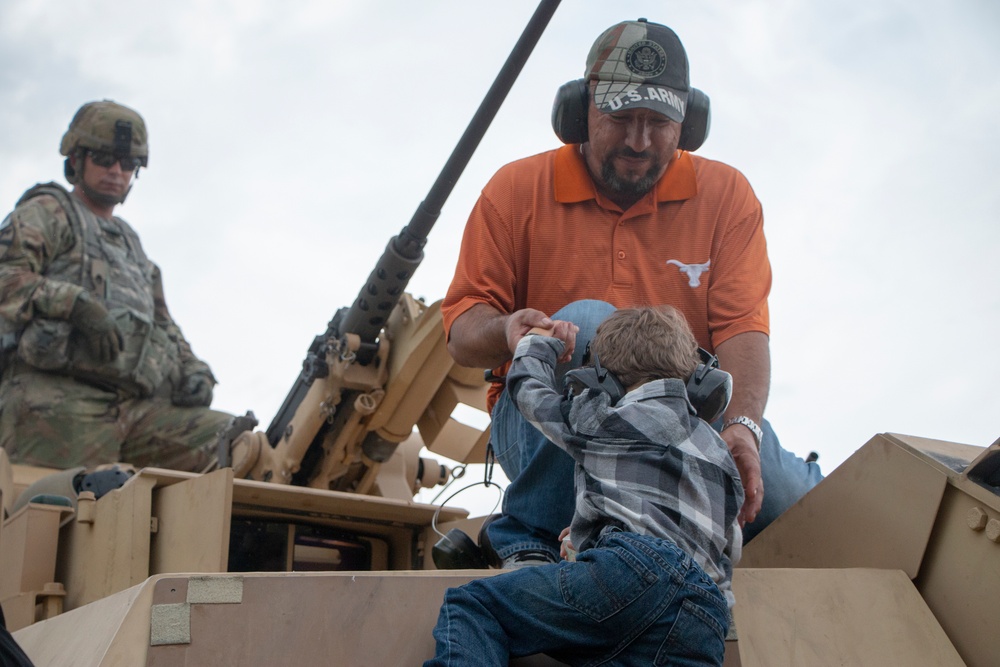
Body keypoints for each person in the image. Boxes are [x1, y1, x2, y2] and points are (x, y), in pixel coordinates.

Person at [441, 18, 823, 564]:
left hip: (681, 418)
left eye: (658, 122)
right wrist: (505, 329)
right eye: (621, 118)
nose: (639, 141)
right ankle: (530, 534)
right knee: (593, 322)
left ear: (688, 124)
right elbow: (461, 329)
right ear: (581, 111)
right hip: (545, 421)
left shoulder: (727, 197)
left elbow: (743, 329)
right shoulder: (514, 191)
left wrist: (741, 428)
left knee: (806, 504)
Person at [425, 306, 742, 666]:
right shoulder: (720, 454)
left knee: (473, 605)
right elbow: (728, 547)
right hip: (705, 613)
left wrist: (538, 346)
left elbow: (530, 394)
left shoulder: (602, 416)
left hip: (629, 572)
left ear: (603, 383)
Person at [0, 100, 232, 471]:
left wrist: (195, 371)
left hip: (135, 410)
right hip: (57, 404)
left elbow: (163, 327)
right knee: (57, 516)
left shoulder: (132, 247)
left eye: (129, 164)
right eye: (105, 158)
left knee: (235, 446)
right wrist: (75, 304)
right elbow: (5, 277)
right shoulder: (47, 212)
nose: (117, 171)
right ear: (76, 160)